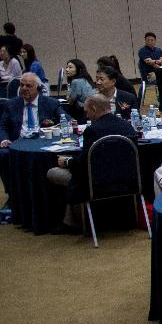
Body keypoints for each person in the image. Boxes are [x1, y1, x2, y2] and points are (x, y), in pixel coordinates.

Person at [46, 94, 138, 229]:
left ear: (94, 109)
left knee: (53, 172)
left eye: (87, 111)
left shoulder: (92, 130)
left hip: (97, 183)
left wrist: (66, 162)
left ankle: (69, 222)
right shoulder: (127, 126)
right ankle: (71, 219)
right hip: (128, 181)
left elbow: (83, 166)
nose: (87, 116)